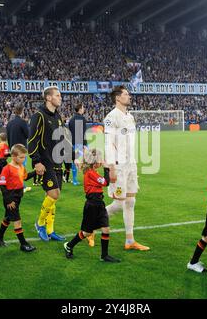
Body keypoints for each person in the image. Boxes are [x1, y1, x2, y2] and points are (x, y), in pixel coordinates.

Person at [100, 85, 149, 251]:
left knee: (130, 202)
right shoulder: (111, 117)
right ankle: (92, 225)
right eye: (126, 94)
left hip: (131, 164)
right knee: (119, 204)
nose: (129, 97)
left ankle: (130, 240)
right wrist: (111, 167)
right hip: (118, 166)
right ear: (117, 98)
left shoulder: (130, 116)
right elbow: (109, 143)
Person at [63, 149, 120, 262]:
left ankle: (104, 256)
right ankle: (69, 245)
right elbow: (105, 182)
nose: (101, 162)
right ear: (95, 162)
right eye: (100, 160)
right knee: (87, 232)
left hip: (100, 204)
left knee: (106, 229)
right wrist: (106, 167)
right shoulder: (90, 173)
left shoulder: (93, 171)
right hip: (92, 206)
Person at [28, 86, 66, 242]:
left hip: (57, 161)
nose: (60, 98)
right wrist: (36, 161)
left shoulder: (57, 116)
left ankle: (50, 230)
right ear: (49, 98)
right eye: (58, 95)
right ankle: (40, 224)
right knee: (53, 194)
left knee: (53, 198)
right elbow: (32, 140)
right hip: (45, 162)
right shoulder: (39, 116)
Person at [0, 144, 37, 252]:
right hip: (10, 198)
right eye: (21, 157)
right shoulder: (6, 169)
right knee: (17, 220)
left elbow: (25, 177)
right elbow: (2, 185)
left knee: (8, 217)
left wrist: (36, 171)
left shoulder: (21, 167)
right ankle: (23, 244)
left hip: (18, 196)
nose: (23, 159)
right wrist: (8, 200)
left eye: (24, 157)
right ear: (13, 156)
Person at [6, 104, 31, 192]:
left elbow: (8, 137)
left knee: (15, 167)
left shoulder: (9, 123)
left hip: (13, 148)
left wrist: (10, 149)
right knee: (20, 167)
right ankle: (21, 186)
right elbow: (27, 135)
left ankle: (14, 184)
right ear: (22, 112)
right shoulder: (23, 122)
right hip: (21, 149)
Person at [68, 103, 88, 186]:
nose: (84, 109)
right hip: (79, 143)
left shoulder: (71, 119)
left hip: (72, 143)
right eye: (83, 108)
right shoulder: (82, 119)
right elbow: (82, 133)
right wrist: (84, 144)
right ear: (80, 109)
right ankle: (88, 179)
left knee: (74, 162)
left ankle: (75, 180)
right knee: (85, 162)